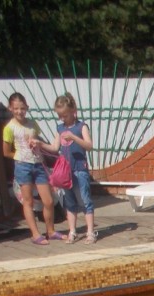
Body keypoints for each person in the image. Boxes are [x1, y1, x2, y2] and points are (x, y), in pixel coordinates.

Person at [32, 93, 96, 244]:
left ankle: (90, 232)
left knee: (85, 200)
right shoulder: (60, 128)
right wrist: (40, 144)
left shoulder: (81, 127)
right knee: (69, 202)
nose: (62, 118)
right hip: (66, 172)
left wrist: (74, 138)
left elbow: (89, 146)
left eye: (65, 115)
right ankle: (72, 231)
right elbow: (55, 148)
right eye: (59, 115)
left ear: (73, 111)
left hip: (79, 169)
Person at [2, 92, 61, 246]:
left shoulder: (32, 124)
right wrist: (20, 156)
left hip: (38, 164)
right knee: (28, 201)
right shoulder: (9, 128)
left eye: (22, 108)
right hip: (23, 166)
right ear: (10, 108)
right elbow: (6, 152)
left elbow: (38, 139)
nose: (19, 111)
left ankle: (50, 231)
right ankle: (35, 234)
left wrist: (36, 145)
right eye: (16, 108)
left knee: (48, 200)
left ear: (27, 107)